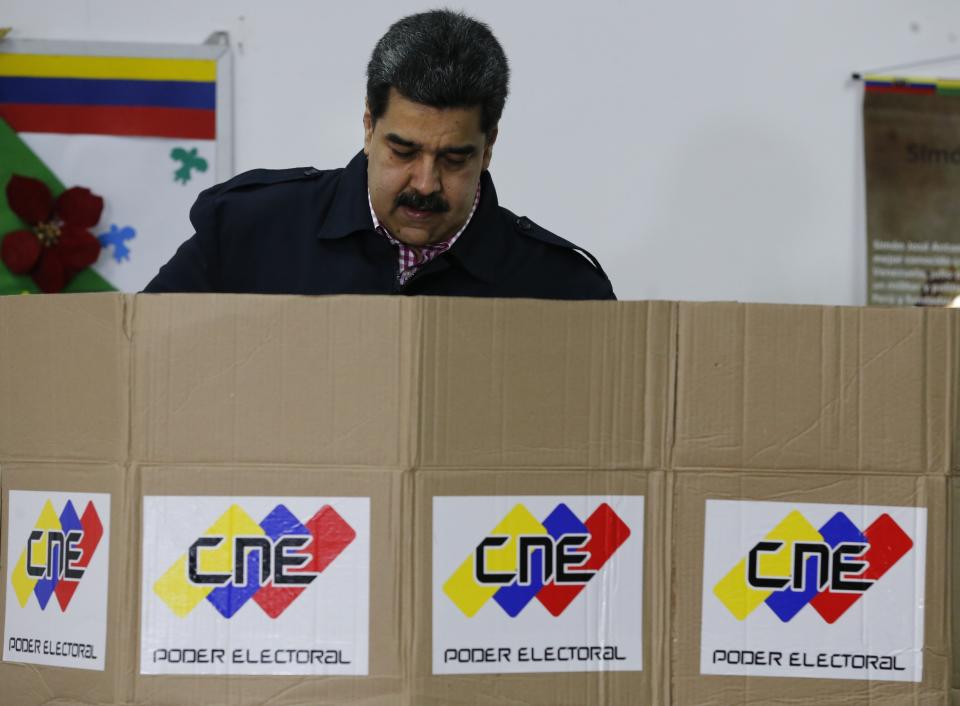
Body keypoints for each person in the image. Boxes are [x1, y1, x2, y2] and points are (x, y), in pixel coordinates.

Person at [144, 10, 615, 299]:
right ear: (369, 126)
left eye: (454, 159)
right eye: (404, 150)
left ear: (488, 147)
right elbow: (138, 368)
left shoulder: (562, 287)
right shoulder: (247, 232)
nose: (425, 183)